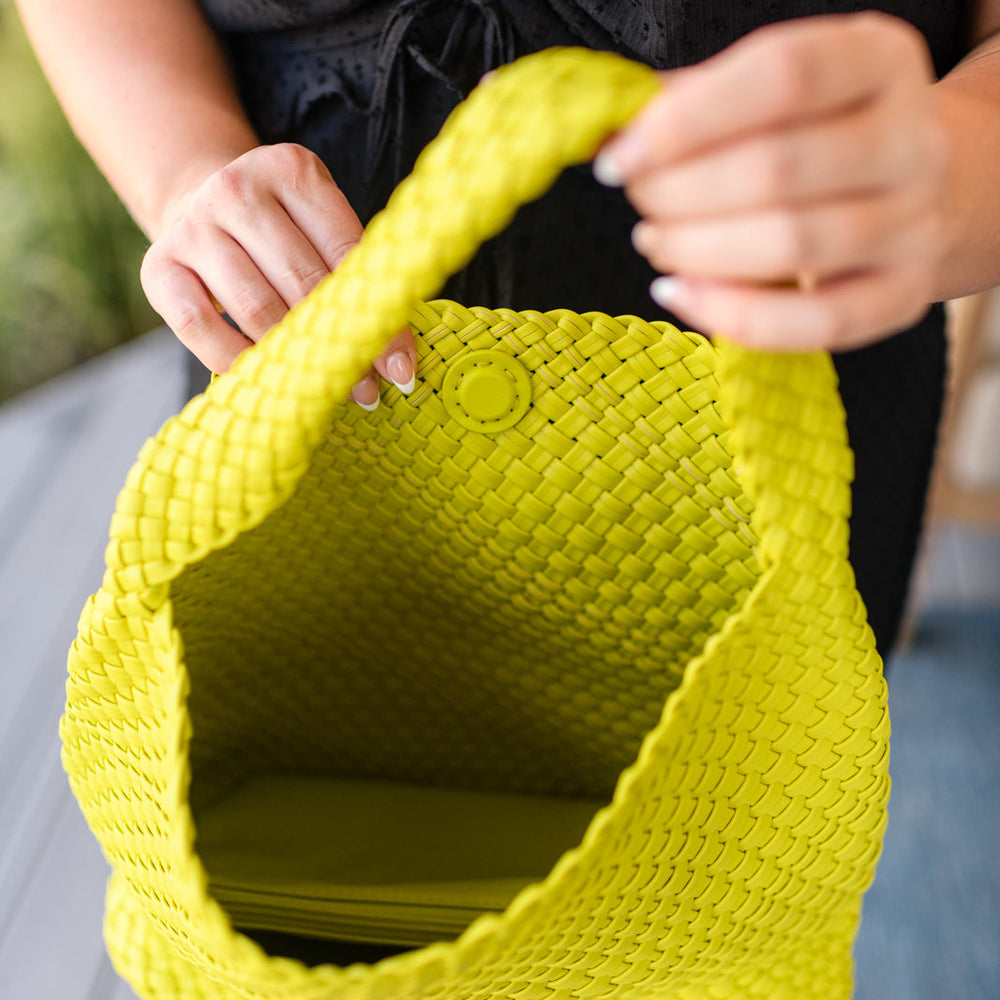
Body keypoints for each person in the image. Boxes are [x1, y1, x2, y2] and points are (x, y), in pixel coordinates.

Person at [14, 0, 1000, 655]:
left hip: (765, 445)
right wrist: (182, 164)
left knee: (718, 900)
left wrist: (954, 177)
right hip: (303, 409)